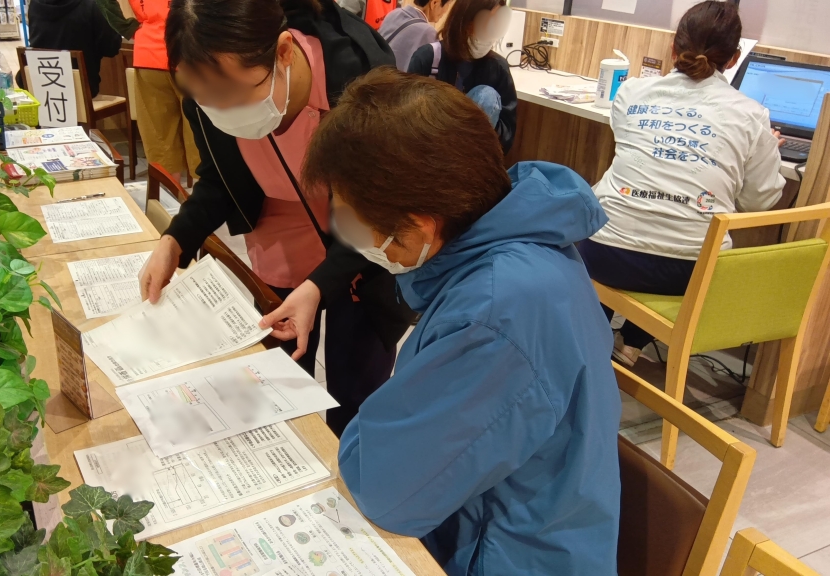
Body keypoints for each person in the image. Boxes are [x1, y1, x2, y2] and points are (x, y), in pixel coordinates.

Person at [302, 68, 620, 575]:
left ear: (420, 226)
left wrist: (380, 417)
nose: (349, 237)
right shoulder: (517, 248)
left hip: (506, 557)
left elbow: (383, 487)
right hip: (499, 526)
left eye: (353, 223)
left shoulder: (497, 312)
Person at [137, 0, 409, 436]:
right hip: (281, 243)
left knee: (355, 396)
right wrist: (175, 240)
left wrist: (320, 285)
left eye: (233, 94)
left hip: (364, 253)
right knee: (281, 388)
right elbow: (220, 179)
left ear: (283, 52)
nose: (221, 112)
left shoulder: (359, 80)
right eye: (205, 99)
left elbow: (383, 208)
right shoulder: (206, 94)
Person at [579, 1, 785, 366]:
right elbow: (758, 202)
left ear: (673, 47)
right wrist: (767, 149)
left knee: (604, 222)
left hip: (605, 254)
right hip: (691, 274)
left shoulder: (631, 93)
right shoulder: (752, 115)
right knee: (684, 238)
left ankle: (589, 339)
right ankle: (631, 342)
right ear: (734, 59)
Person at [96, 0, 201, 182]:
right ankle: (207, 197)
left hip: (149, 54)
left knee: (160, 139)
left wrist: (128, 29)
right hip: (194, 52)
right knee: (201, 137)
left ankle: (168, 195)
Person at [407, 0, 517, 153]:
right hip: (429, 150)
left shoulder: (498, 68)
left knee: (487, 96)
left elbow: (507, 135)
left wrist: (486, 123)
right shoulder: (428, 57)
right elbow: (407, 118)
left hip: (472, 155)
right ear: (465, 19)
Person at [27, 0, 122, 97]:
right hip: (80, 92)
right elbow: (111, 48)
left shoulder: (35, 4)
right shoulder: (96, 4)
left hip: (38, 89)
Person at [378, 0, 452, 71]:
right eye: (448, 4)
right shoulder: (428, 33)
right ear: (434, 3)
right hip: (394, 79)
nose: (445, 11)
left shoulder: (394, 13)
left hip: (376, 74)